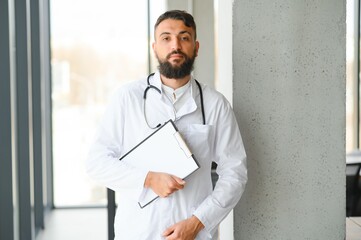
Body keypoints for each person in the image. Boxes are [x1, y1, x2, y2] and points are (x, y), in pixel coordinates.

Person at [86, 10, 247, 240]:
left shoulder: (215, 105)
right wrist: (148, 179)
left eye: (184, 37)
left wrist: (197, 222)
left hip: (194, 233)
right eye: (166, 38)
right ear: (154, 48)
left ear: (196, 47)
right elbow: (96, 162)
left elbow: (235, 173)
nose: (176, 45)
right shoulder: (127, 98)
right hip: (138, 232)